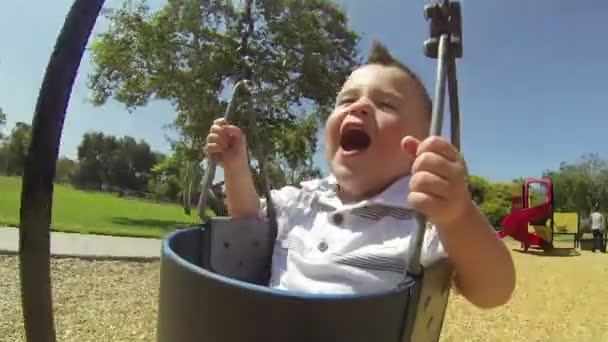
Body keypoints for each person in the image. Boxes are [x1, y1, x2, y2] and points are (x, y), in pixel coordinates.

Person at [205, 41, 515, 308]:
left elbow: (493, 291)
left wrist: (458, 214)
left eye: (386, 104)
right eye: (347, 100)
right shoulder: (302, 200)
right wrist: (235, 167)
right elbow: (248, 224)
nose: (361, 106)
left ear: (421, 145)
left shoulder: (422, 221)